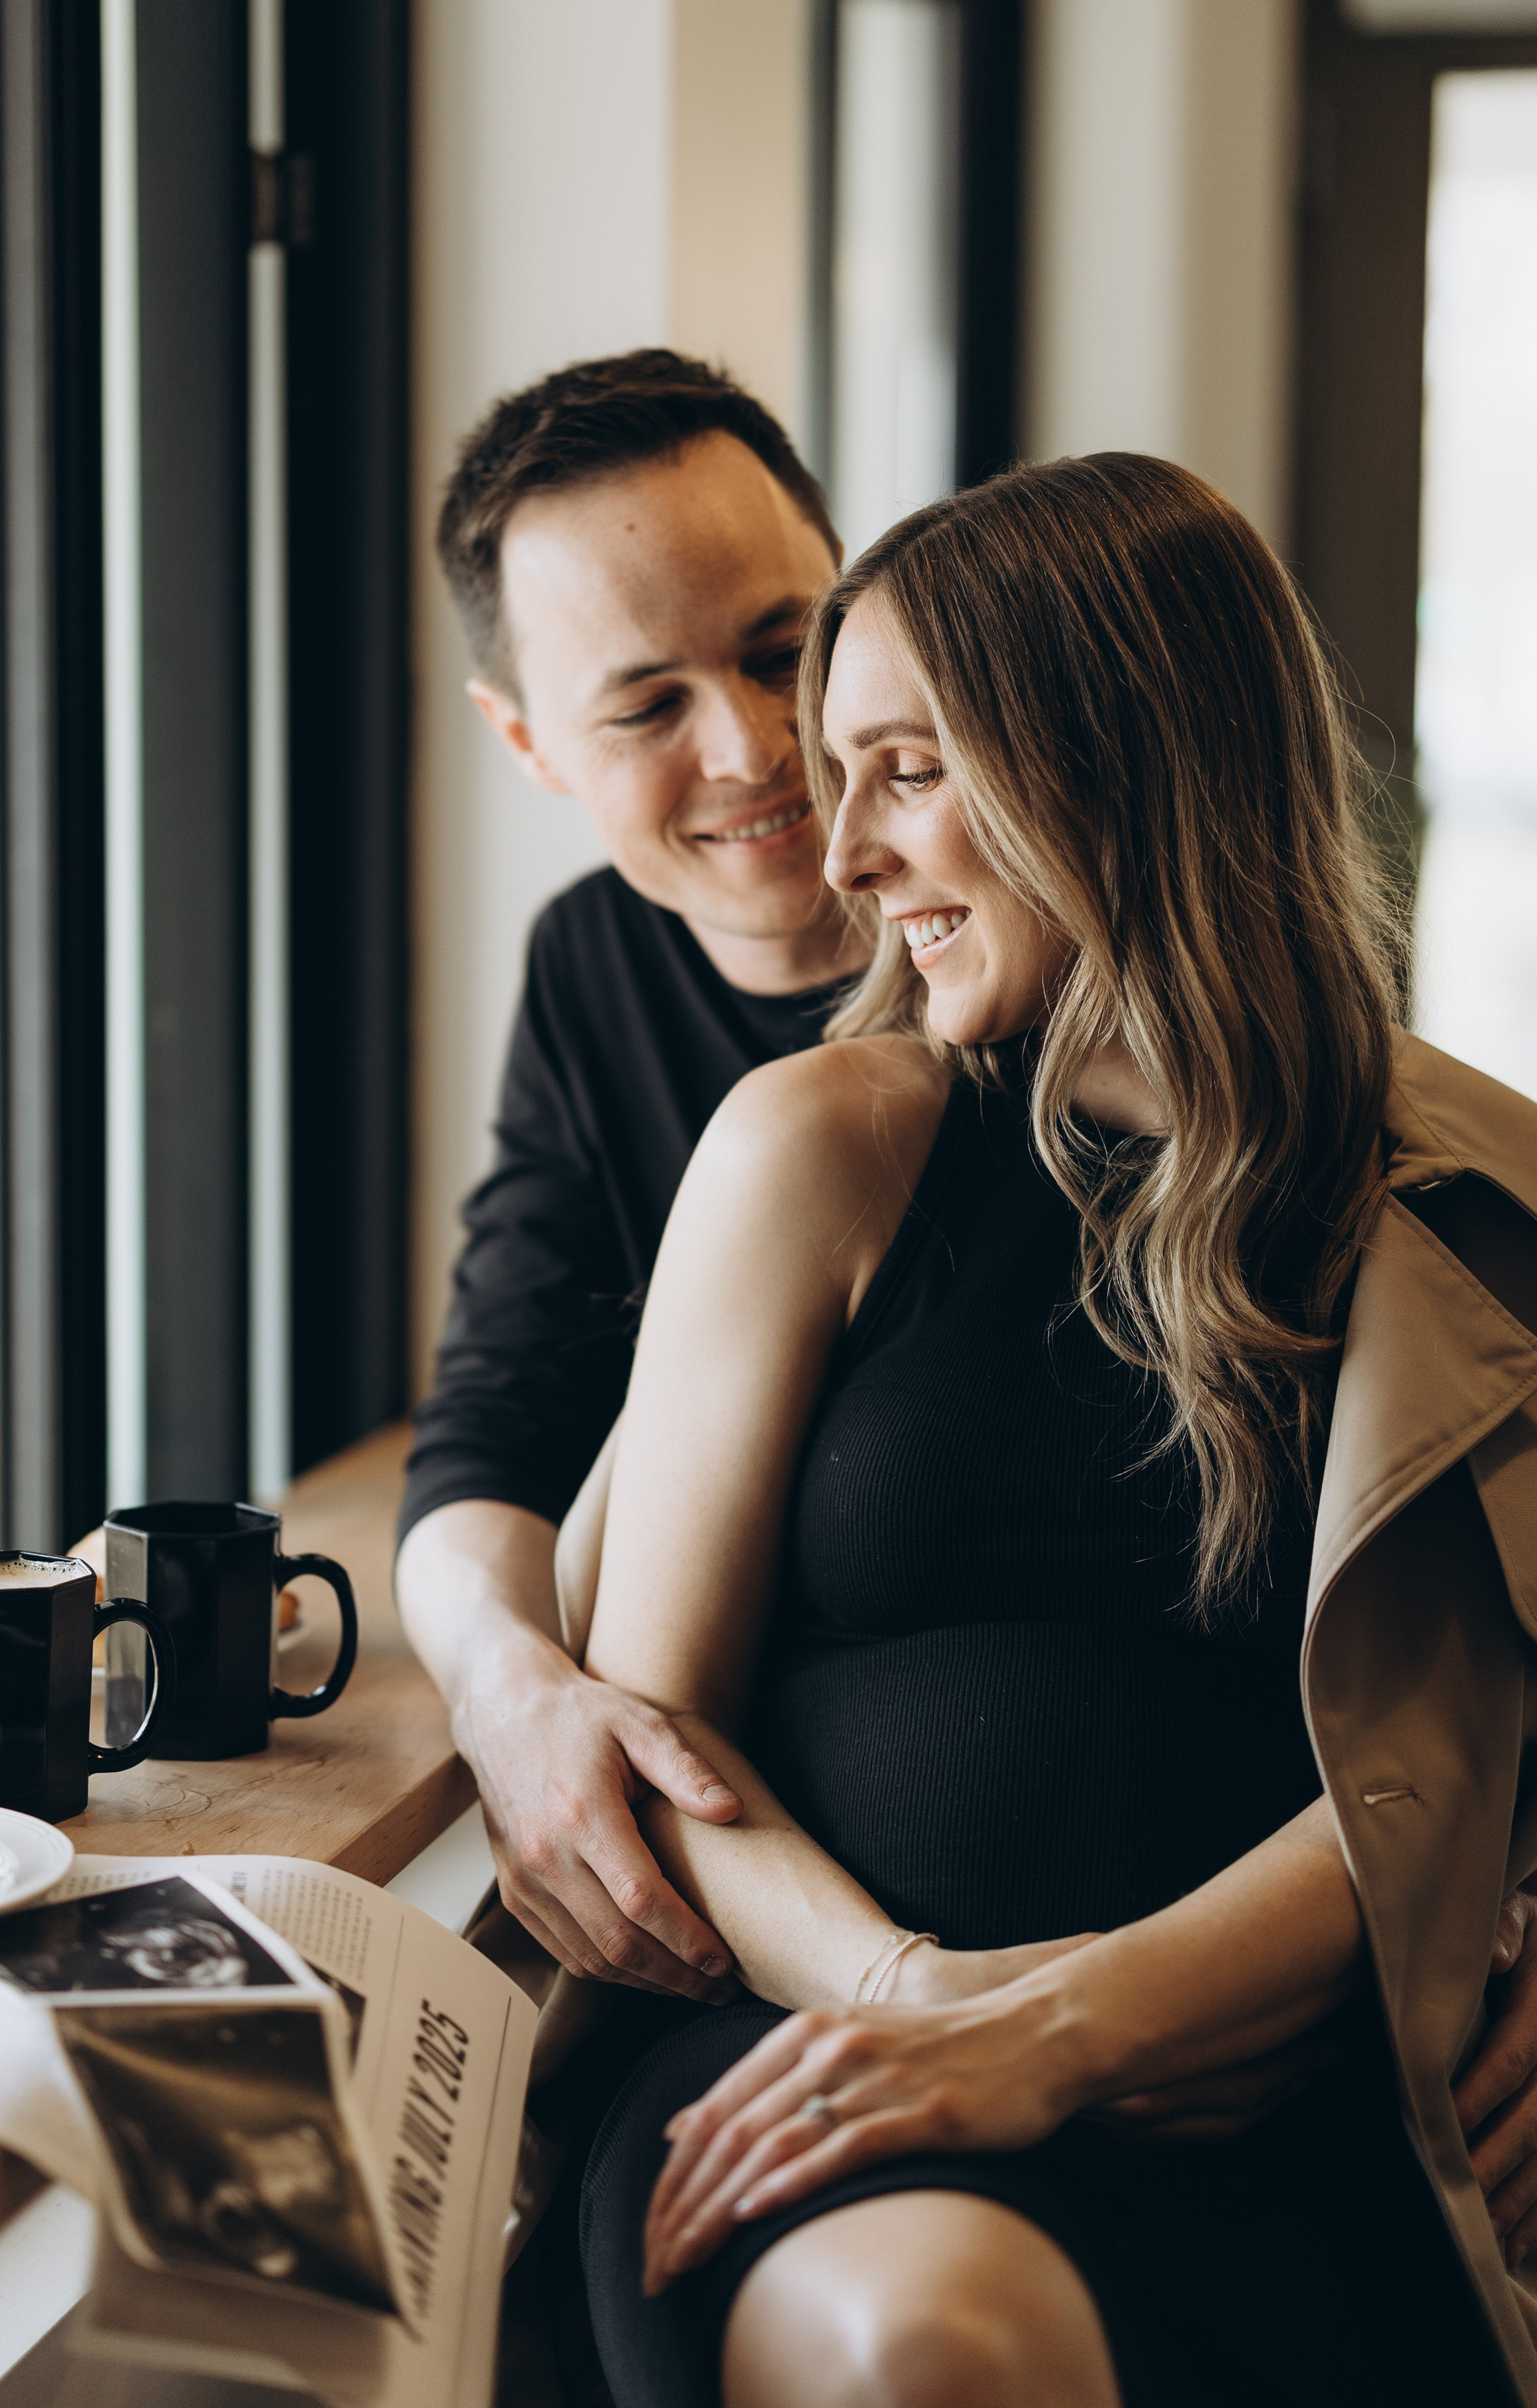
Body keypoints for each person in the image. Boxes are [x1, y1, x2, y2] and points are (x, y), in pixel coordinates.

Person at [575, 452, 1537, 2407]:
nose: (840, 851)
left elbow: (1447, 1754)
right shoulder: (820, 1150)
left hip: (1325, 2101)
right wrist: (920, 2012)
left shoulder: (1477, 1210)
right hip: (842, 2072)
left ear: (1125, 760)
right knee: (934, 2351)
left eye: (908, 769)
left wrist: (1073, 2029)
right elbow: (654, 1745)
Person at [395, 351, 863, 1999]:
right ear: (528, 744)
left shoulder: (1085, 912)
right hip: (754, 1899)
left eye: (778, 650)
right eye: (644, 704)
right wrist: (505, 1685)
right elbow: (495, 1413)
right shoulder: (591, 967)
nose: (749, 748)